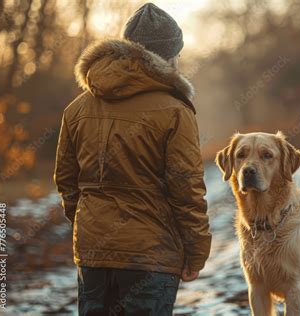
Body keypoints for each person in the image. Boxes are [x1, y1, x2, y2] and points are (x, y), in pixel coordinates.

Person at [54, 3, 211, 315]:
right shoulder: (175, 111)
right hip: (151, 255)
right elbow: (186, 189)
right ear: (170, 56)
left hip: (94, 252)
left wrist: (89, 225)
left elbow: (66, 182)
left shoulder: (77, 109)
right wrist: (196, 253)